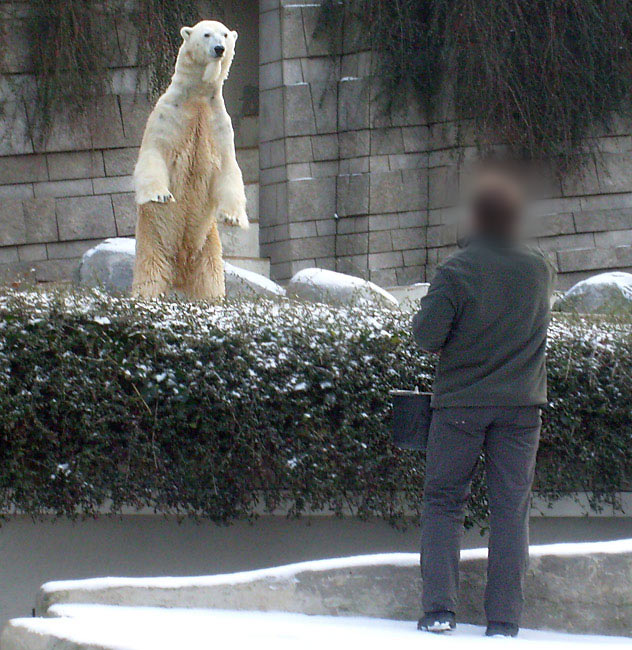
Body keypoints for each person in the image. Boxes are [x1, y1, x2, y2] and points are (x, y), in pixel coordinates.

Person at [412, 170, 555, 638]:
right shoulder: (540, 268)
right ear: (516, 217)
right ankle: (504, 621)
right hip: (522, 407)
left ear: (475, 216)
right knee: (511, 509)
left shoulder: (457, 270)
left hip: (460, 407)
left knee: (443, 502)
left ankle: (439, 611)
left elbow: (426, 337)